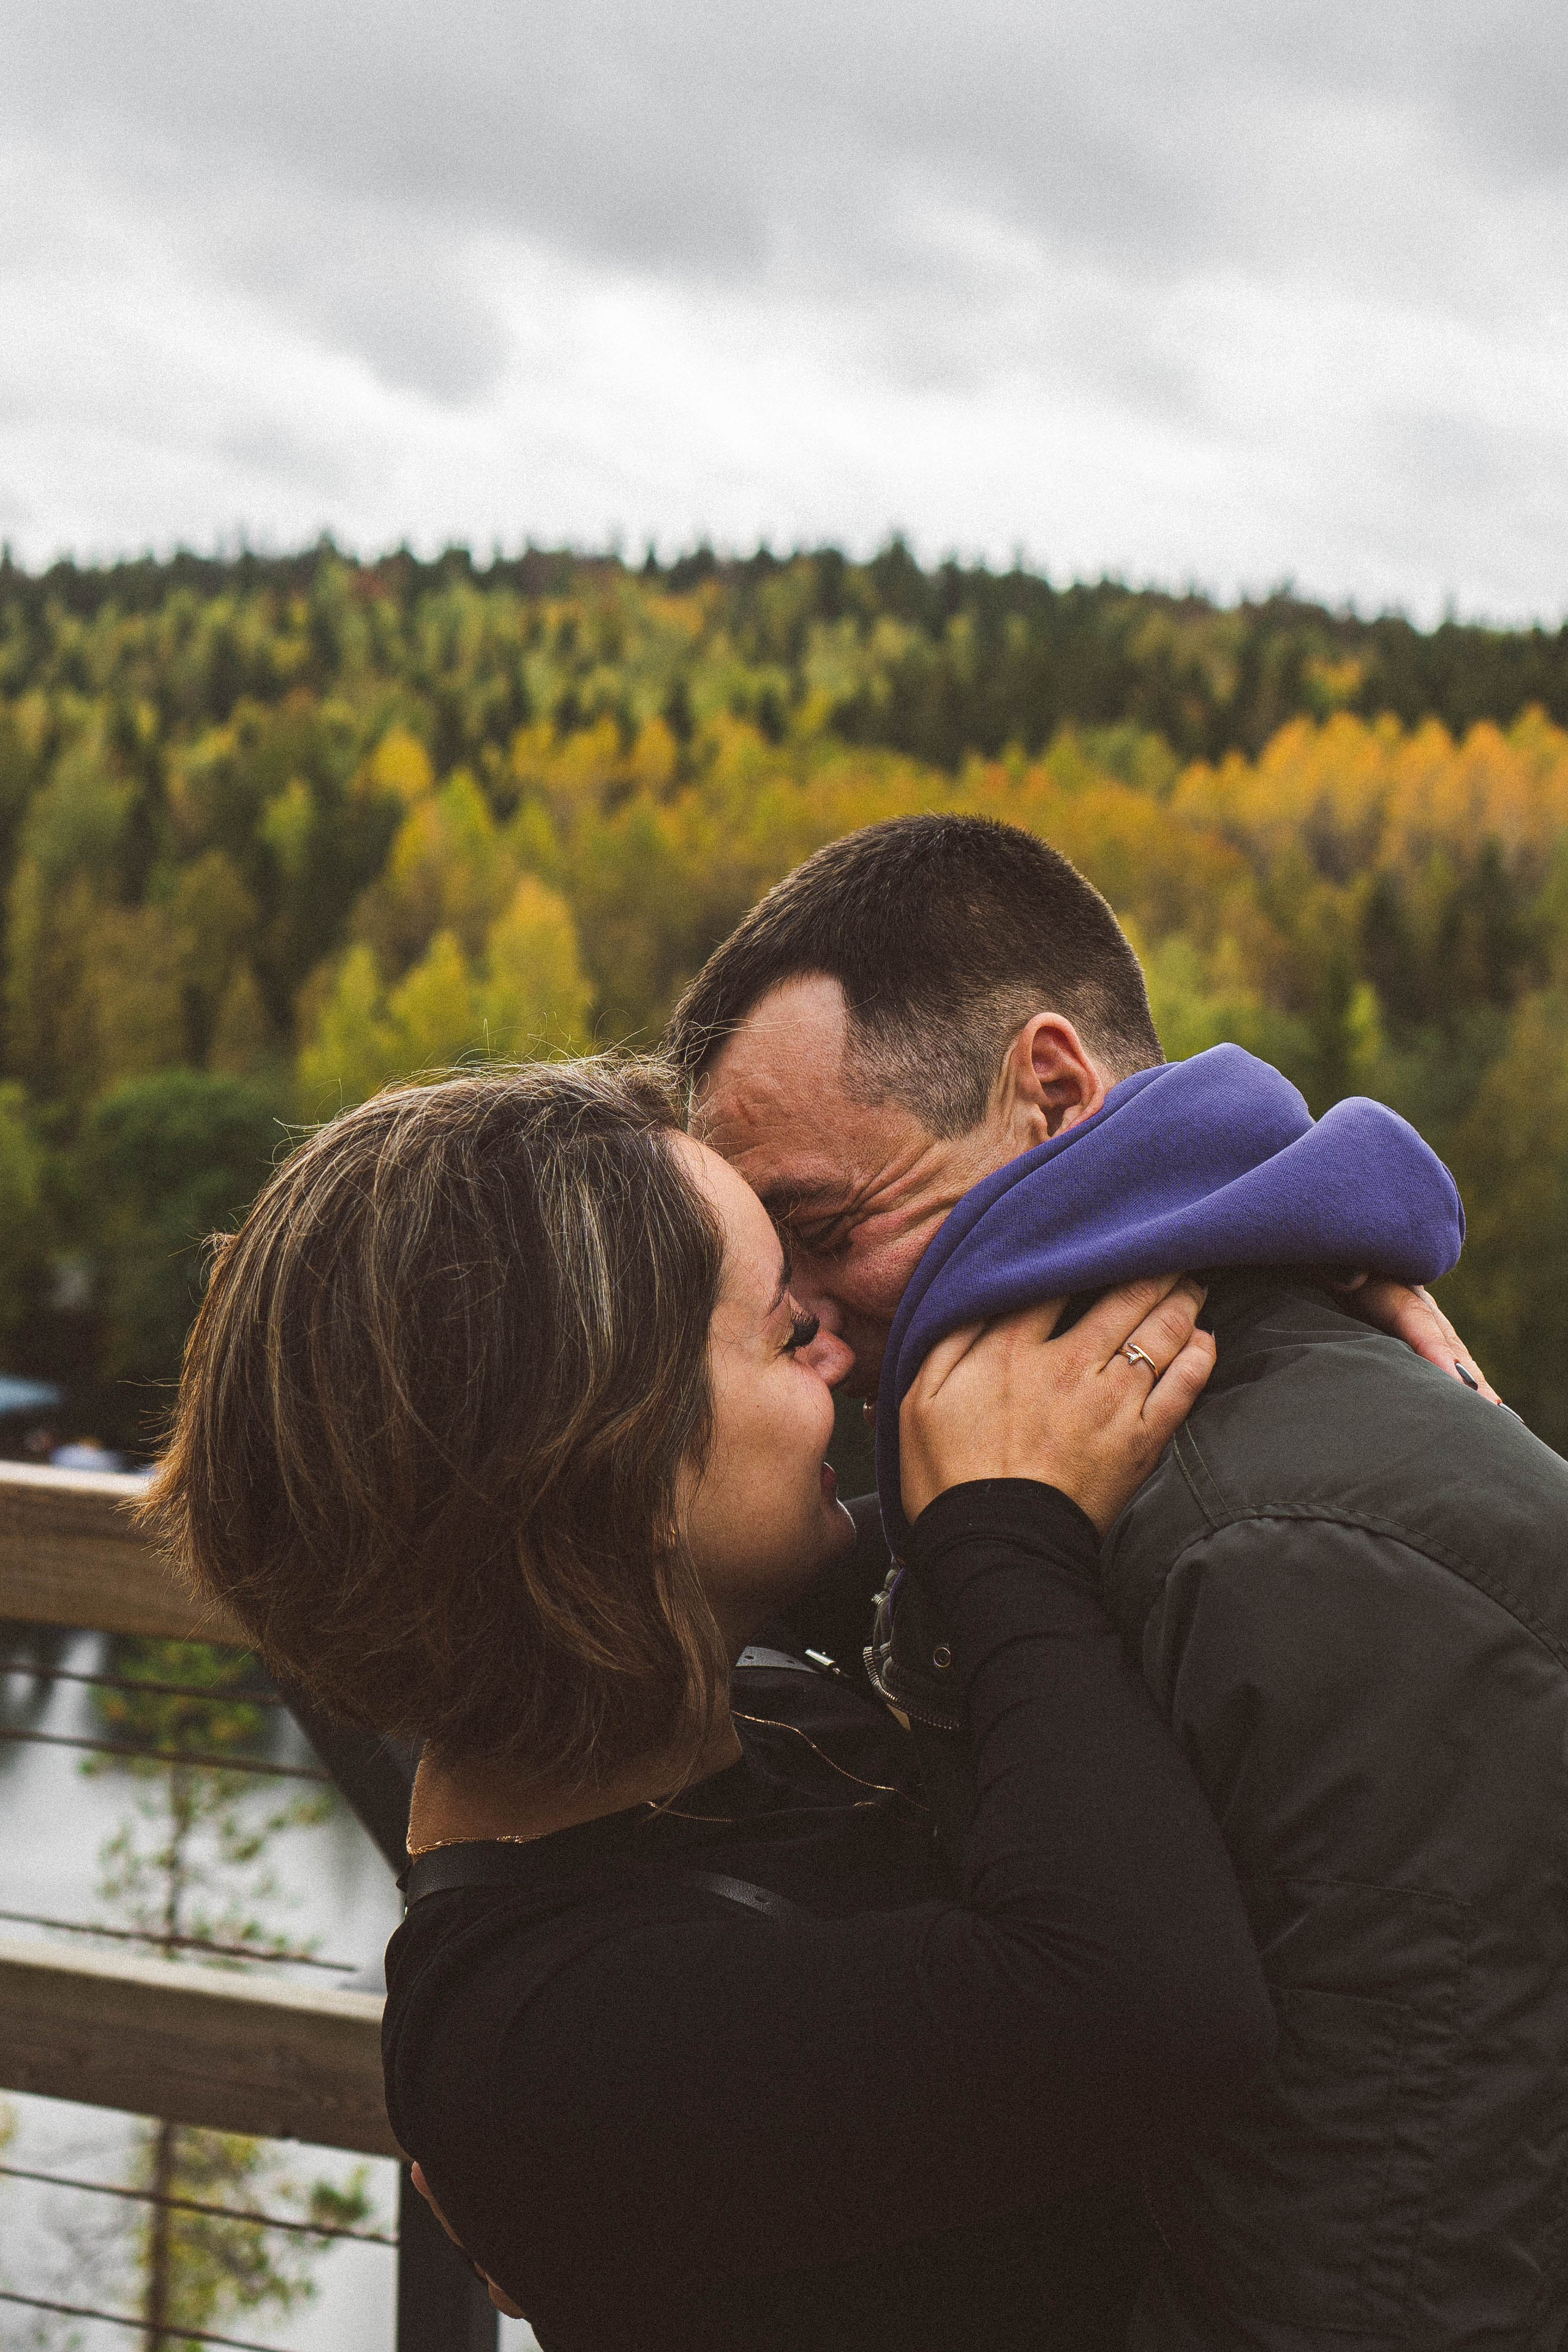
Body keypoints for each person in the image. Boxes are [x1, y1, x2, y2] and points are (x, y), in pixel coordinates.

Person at [141, 1060, 1275, 2351]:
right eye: (789, 1333)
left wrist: (1297, 1305)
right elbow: (1152, 2012)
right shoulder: (555, 2050)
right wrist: (1003, 1533)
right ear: (610, 1456)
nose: (840, 1352)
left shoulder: (686, 1718)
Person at [668, 812, 1568, 2351]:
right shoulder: (1081, 1480)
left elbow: (1377, 2274)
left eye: (820, 1230)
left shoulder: (1288, 1551)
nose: (798, 1323)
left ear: (1052, 1091)